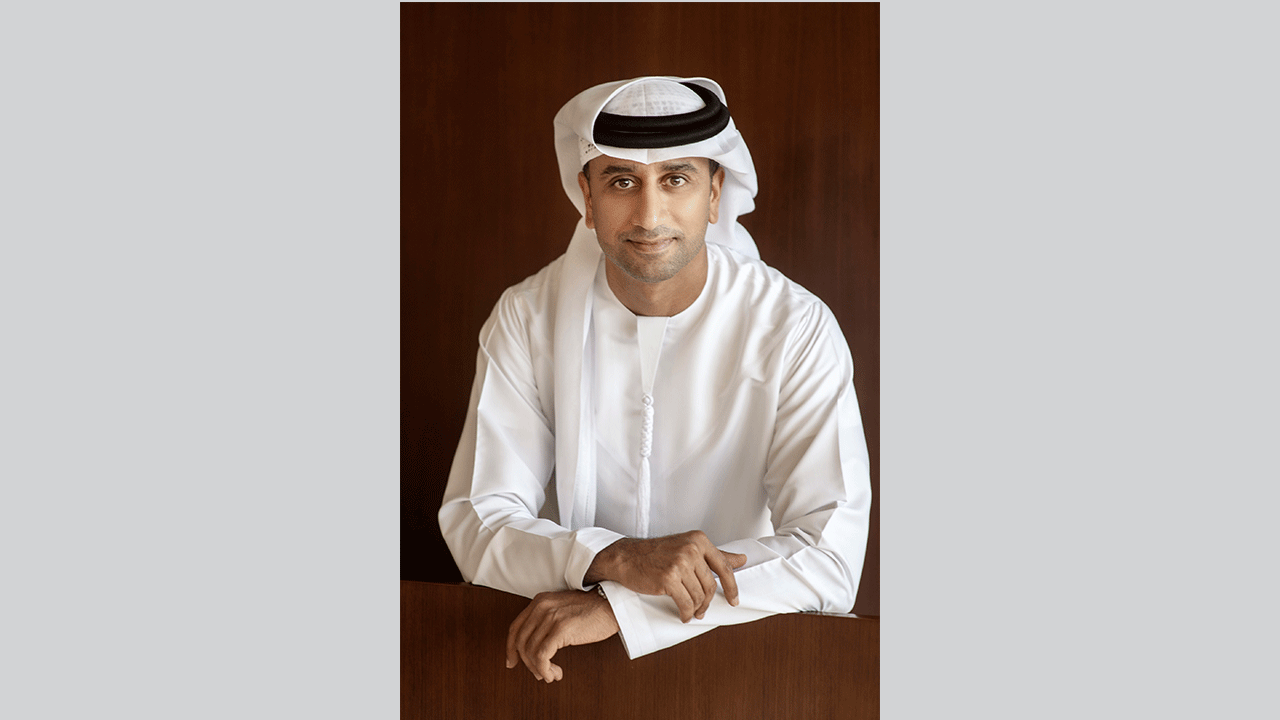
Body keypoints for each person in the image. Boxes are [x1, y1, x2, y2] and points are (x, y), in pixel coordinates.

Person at [438, 76, 872, 684]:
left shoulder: (793, 327)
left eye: (675, 179)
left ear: (714, 194)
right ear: (587, 198)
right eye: (621, 181)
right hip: (557, 667)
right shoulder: (528, 317)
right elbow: (477, 518)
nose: (649, 216)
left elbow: (829, 555)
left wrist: (621, 607)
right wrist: (610, 559)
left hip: (741, 665)